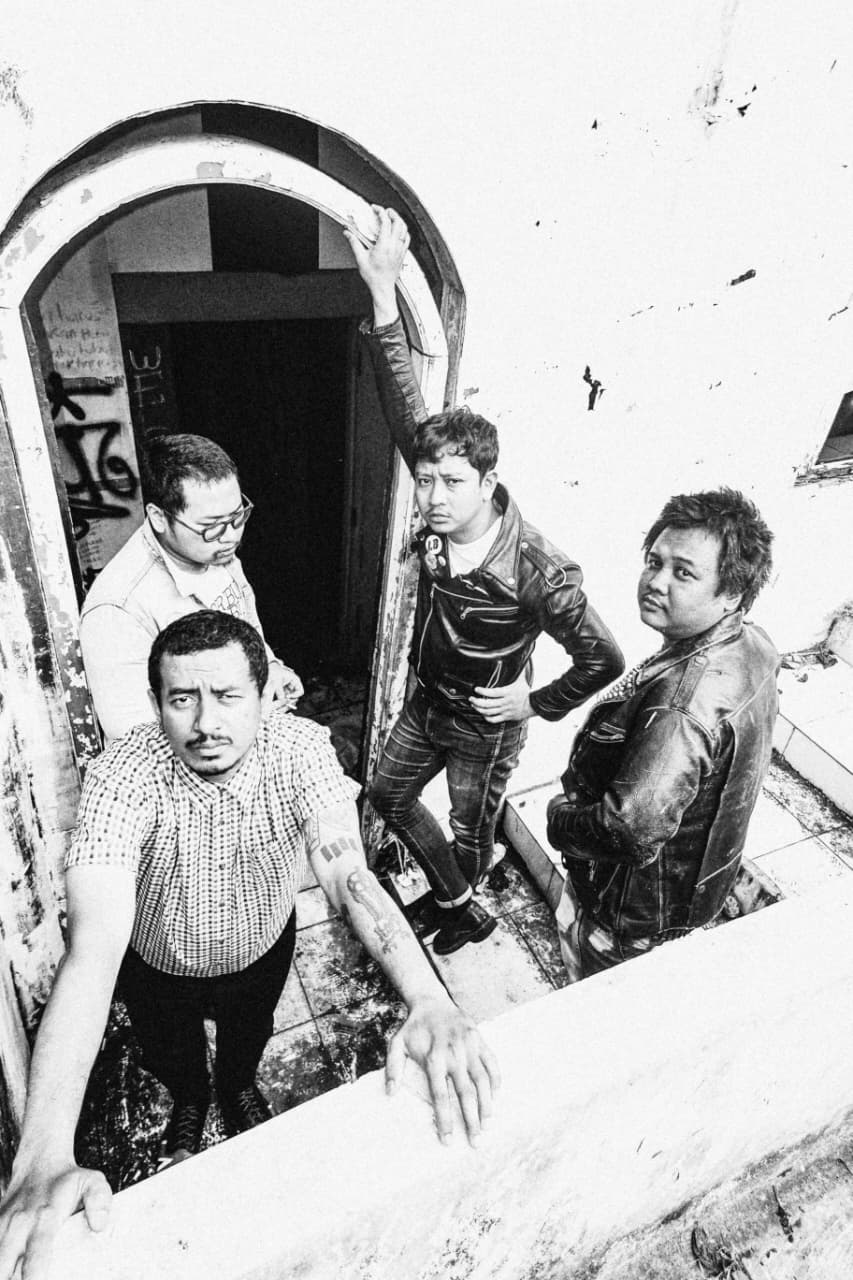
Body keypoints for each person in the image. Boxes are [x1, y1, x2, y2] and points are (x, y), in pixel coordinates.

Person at [0, 610, 499, 1280]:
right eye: (183, 698)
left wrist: (429, 999)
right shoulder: (121, 775)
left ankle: (236, 1090)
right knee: (171, 1053)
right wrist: (40, 1156)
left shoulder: (302, 751)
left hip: (258, 953)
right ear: (155, 702)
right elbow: (93, 950)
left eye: (228, 696)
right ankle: (189, 1103)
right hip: (158, 966)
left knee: (247, 1040)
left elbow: (349, 876)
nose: (206, 723)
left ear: (265, 697)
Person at [344, 208, 624, 956]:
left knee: (472, 828)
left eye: (452, 483)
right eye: (425, 480)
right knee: (386, 794)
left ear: (488, 482)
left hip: (484, 724)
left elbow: (604, 657)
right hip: (428, 701)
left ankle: (460, 902)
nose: (432, 497)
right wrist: (381, 291)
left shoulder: (535, 566)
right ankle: (460, 901)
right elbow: (402, 400)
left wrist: (533, 701)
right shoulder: (437, 501)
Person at [545, 488, 779, 981]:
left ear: (732, 594)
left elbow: (629, 829)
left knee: (596, 1007)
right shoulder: (752, 642)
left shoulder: (682, 707)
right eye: (654, 562)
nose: (655, 581)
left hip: (624, 919)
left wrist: (559, 819)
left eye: (683, 573)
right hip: (685, 894)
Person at [79, 432, 302, 741]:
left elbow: (245, 624)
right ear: (159, 518)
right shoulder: (118, 609)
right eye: (211, 526)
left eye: (237, 516)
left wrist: (271, 668)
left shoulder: (213, 550)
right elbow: (135, 738)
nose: (231, 536)